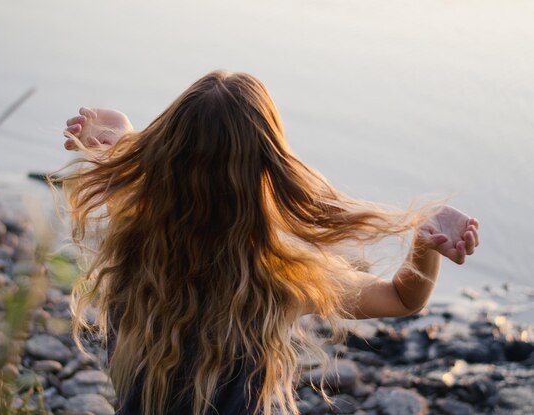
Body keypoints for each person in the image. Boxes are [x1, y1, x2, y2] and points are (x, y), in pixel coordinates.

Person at [58, 70, 479, 415]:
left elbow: (128, 182)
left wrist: (119, 139)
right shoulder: (279, 277)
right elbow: (404, 300)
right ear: (269, 173)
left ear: (161, 156)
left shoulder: (137, 244)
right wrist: (424, 243)